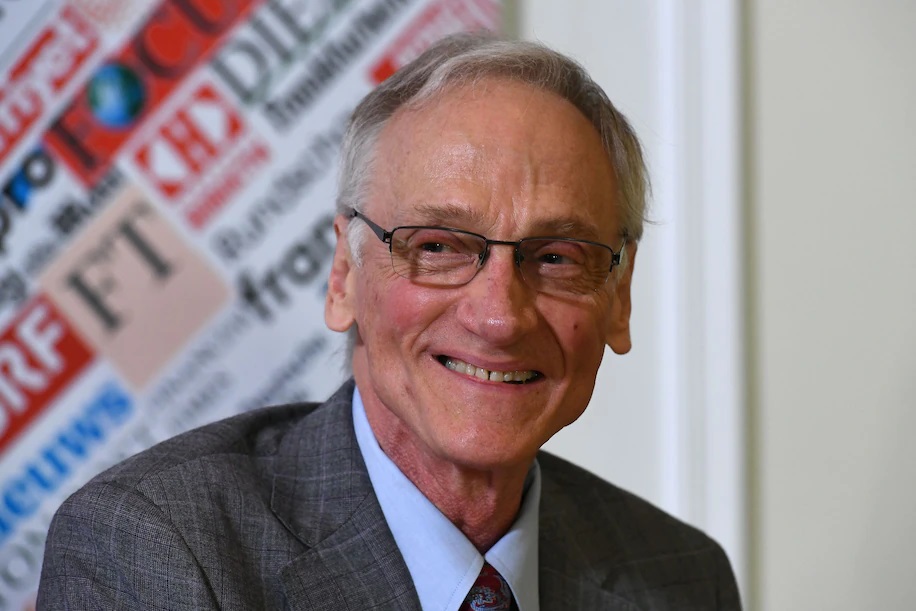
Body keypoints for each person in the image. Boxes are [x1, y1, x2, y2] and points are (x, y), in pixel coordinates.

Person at [37, 33, 741, 610]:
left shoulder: (682, 578)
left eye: (557, 257)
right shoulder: (157, 549)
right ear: (344, 276)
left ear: (618, 295)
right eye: (437, 246)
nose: (498, 314)